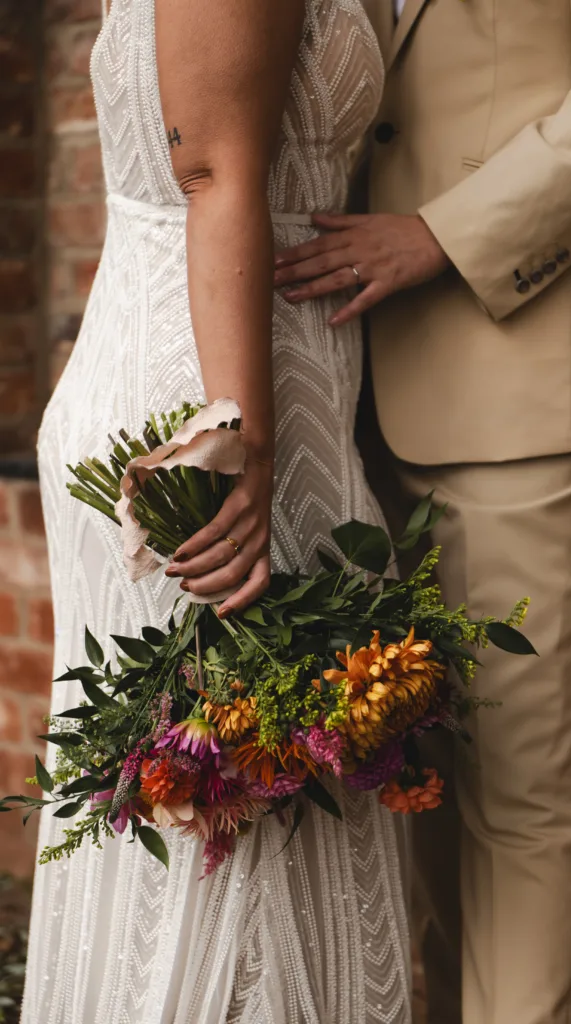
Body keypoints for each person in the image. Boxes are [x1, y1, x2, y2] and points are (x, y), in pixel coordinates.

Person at [274, 1, 571, 1022]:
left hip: (530, 375)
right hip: (357, 385)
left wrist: (440, 235)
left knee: (521, 795)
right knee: (420, 776)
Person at [22, 2, 413, 1021]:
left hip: (278, 384)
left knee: (282, 806)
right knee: (215, 830)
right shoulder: (231, 438)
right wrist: (239, 441)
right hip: (199, 412)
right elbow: (214, 176)